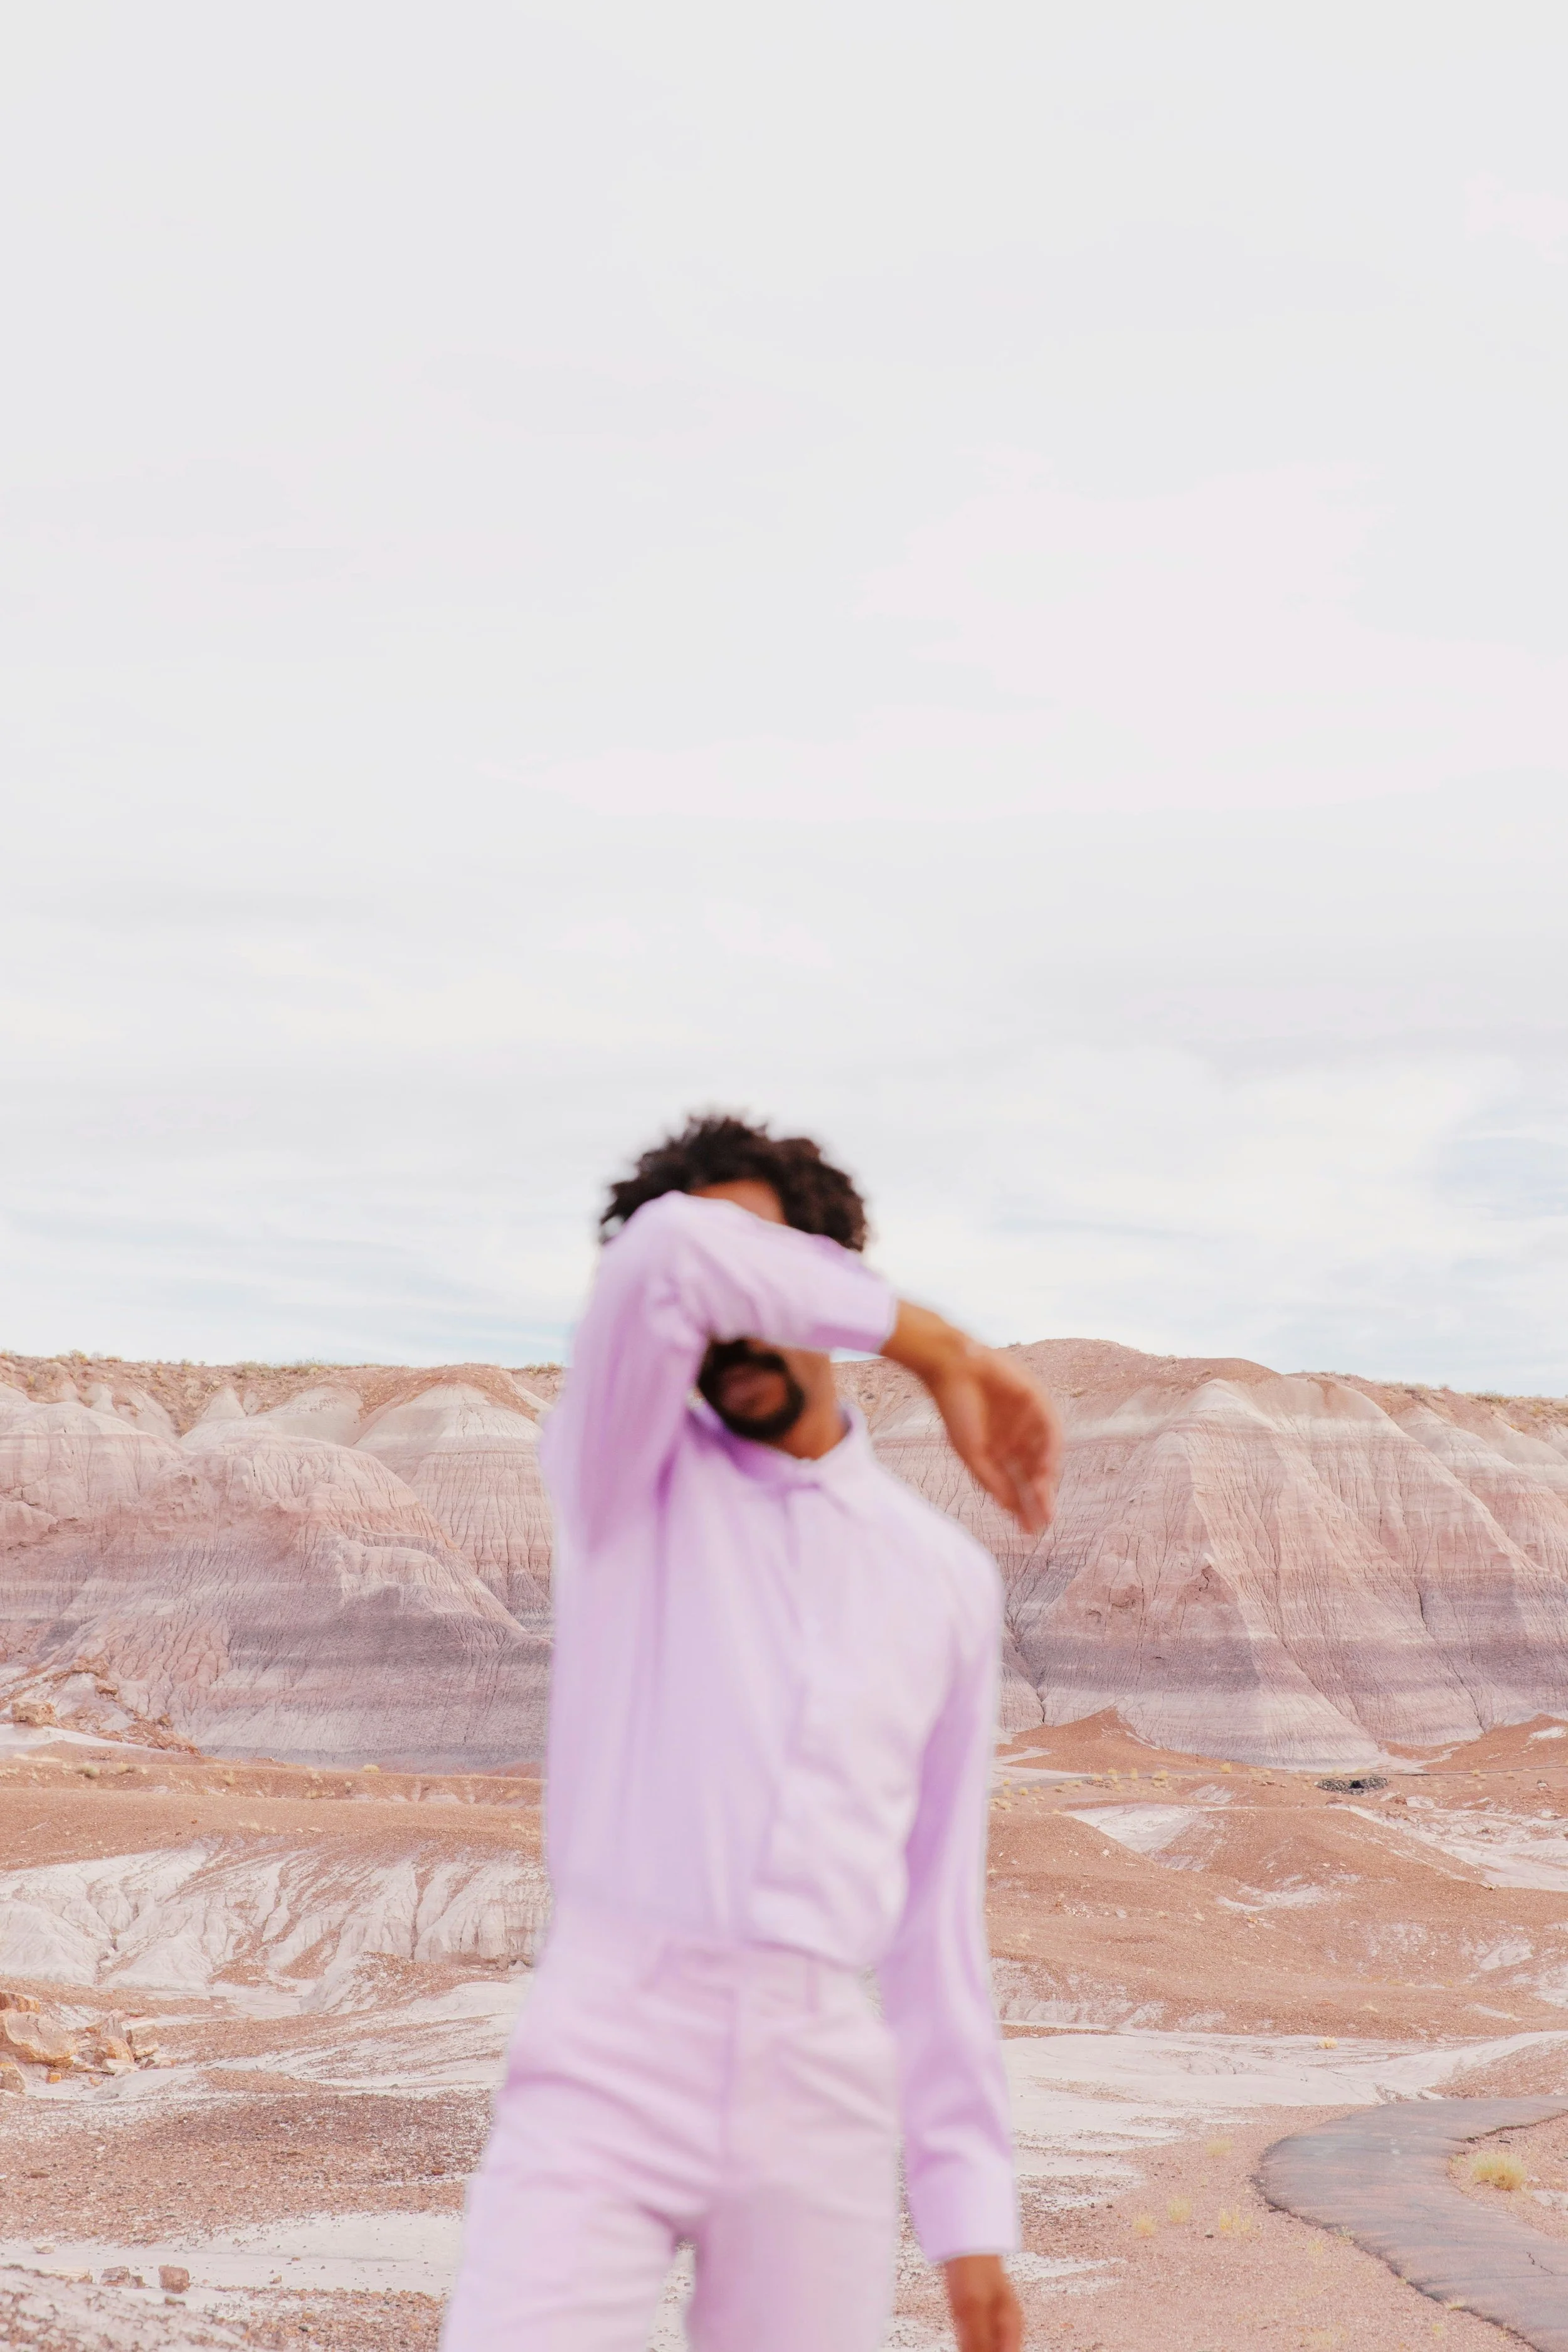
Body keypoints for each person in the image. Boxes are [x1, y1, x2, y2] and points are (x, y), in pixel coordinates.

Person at [442, 1114, 1063, 2352]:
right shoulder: (615, 1482)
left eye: (770, 1271)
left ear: (831, 1294)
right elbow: (668, 1257)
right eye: (731, 1284)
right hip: (608, 2046)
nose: (734, 1314)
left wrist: (967, 2220)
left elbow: (935, 1921)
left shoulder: (938, 1578)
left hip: (819, 2087)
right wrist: (938, 1345)